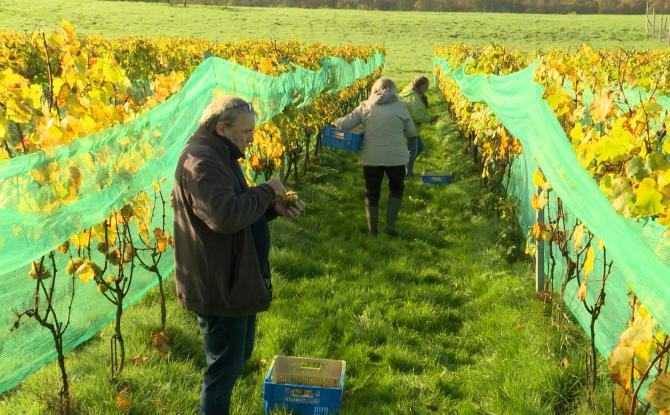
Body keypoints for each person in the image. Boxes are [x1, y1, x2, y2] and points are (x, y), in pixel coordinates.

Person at [172, 96, 305, 415]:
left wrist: (270, 208)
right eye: (246, 132)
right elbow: (225, 216)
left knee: (237, 357)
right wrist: (266, 191)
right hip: (220, 284)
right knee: (222, 371)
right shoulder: (201, 162)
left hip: (235, 277)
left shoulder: (219, 154)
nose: (251, 138)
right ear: (221, 128)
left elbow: (235, 207)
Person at [334, 77, 417, 237]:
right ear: (394, 90)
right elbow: (411, 132)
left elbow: (344, 124)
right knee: (396, 188)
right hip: (396, 157)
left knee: (372, 191)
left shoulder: (365, 105)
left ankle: (373, 231)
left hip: (371, 157)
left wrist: (333, 122)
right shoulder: (400, 106)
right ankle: (391, 225)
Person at [399, 75, 438, 176]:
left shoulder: (407, 91)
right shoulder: (415, 98)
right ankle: (407, 173)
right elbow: (418, 116)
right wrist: (431, 119)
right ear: (420, 86)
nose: (427, 89)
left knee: (420, 146)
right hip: (410, 127)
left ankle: (404, 167)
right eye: (426, 86)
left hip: (402, 124)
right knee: (412, 151)